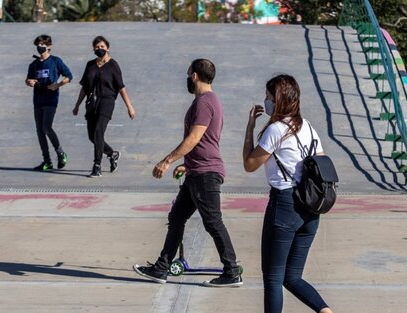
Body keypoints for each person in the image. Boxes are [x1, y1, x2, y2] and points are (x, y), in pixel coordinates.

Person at [133, 59, 242, 287]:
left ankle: (232, 271)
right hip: (197, 170)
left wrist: (167, 161)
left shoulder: (204, 102)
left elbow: (194, 138)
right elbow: (205, 141)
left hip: (206, 172)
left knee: (212, 221)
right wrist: (187, 164)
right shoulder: (209, 101)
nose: (187, 78)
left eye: (188, 74)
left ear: (194, 75)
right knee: (177, 218)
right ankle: (161, 269)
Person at [242, 74, 333, 313]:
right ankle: (326, 311)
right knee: (292, 277)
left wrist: (251, 127)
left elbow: (249, 164)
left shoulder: (276, 130)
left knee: (273, 278)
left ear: (279, 100)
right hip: (311, 210)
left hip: (284, 206)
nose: (266, 100)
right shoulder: (309, 129)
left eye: (269, 97)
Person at [72, 36, 135, 178]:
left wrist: (129, 107)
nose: (99, 49)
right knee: (92, 136)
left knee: (99, 131)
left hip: (107, 101)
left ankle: (97, 165)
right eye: (96, 47)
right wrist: (77, 105)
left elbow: (121, 87)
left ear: (107, 48)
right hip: (91, 102)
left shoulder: (113, 65)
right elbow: (85, 87)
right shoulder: (90, 65)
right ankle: (112, 154)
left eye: (102, 46)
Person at [26, 34, 72, 171]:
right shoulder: (34, 64)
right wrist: (30, 82)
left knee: (47, 127)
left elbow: (69, 76)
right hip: (38, 99)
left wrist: (57, 85)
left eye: (43, 45)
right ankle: (47, 161)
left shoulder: (56, 61)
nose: (40, 47)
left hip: (51, 99)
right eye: (38, 45)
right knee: (40, 131)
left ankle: (61, 153)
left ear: (49, 46)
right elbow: (28, 79)